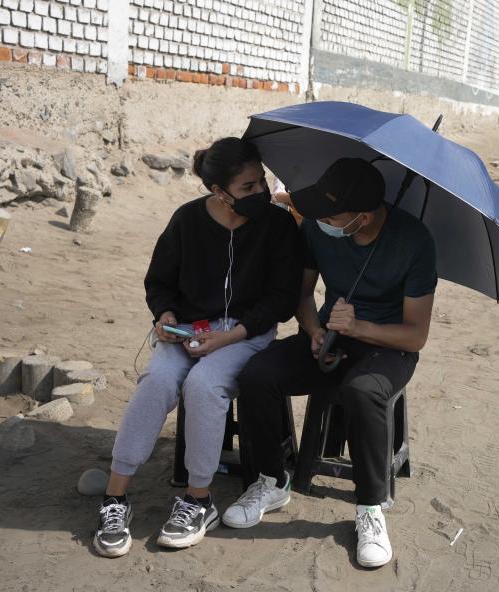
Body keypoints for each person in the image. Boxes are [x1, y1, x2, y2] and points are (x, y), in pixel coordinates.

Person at [92, 138, 304, 558]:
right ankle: (115, 498)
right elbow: (159, 282)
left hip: (246, 334)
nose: (260, 193)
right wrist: (166, 317)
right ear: (219, 192)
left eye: (261, 182)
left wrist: (229, 336)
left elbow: (280, 301)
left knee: (205, 386)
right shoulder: (187, 221)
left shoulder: (278, 227)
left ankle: (197, 500)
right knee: (156, 380)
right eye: (248, 188)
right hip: (189, 330)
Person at [227, 158, 436, 569]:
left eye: (332, 214)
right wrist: (314, 330)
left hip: (388, 348)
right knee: (257, 374)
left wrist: (360, 326)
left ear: (364, 216)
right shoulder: (317, 229)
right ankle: (271, 480)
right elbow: (303, 297)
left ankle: (370, 507)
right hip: (330, 338)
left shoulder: (414, 241)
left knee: (362, 391)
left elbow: (416, 335)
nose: (321, 220)